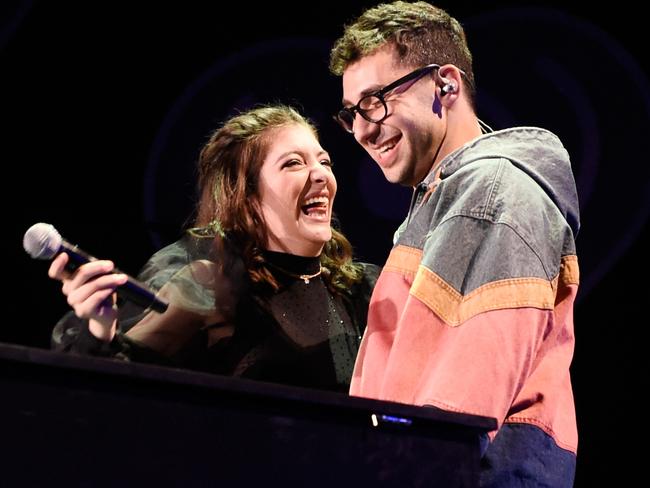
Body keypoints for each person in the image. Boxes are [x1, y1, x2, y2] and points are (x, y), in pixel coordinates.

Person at [329, 1, 579, 485]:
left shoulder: (491, 194)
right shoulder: (450, 198)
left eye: (374, 101)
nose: (360, 130)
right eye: (350, 113)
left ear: (445, 85)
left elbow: (461, 399)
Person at [48, 104, 379, 393]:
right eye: (294, 163)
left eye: (324, 161)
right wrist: (99, 329)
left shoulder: (361, 290)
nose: (320, 174)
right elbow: (119, 396)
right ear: (247, 197)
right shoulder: (210, 283)